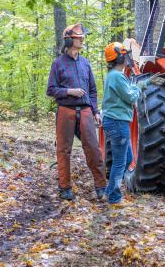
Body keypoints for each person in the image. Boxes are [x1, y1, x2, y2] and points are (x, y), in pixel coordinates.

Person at [46, 23, 107, 201]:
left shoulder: (85, 63)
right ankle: (65, 188)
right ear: (69, 40)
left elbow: (93, 90)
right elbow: (50, 90)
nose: (82, 39)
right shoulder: (58, 64)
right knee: (63, 150)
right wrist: (68, 91)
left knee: (94, 149)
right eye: (79, 37)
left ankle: (101, 187)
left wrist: (95, 111)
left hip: (86, 111)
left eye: (82, 37)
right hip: (65, 110)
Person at [101, 42, 142, 205]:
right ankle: (114, 198)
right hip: (117, 122)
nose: (127, 57)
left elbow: (125, 92)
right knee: (120, 161)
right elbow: (130, 97)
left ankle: (110, 191)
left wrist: (132, 87)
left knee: (127, 159)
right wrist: (138, 88)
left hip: (118, 121)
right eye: (125, 54)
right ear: (119, 57)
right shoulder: (117, 76)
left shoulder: (115, 75)